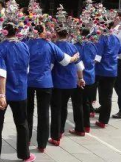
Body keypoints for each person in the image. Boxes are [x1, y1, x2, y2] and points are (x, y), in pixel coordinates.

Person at [0, 0, 36, 162]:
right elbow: (27, 69)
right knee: (22, 123)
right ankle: (24, 154)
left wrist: (1, 95)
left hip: (3, 91)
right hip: (21, 89)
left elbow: (0, 73)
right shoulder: (24, 46)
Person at [26, 22, 79, 151]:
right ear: (43, 32)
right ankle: (42, 144)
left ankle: (26, 139)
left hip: (28, 81)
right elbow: (65, 61)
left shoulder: (26, 44)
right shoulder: (49, 45)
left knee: (27, 112)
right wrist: (74, 58)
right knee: (44, 113)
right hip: (45, 82)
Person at [50, 25, 86, 144]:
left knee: (56, 108)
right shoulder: (73, 47)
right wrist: (80, 78)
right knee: (64, 106)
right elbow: (79, 65)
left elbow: (50, 66)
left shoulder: (54, 47)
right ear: (68, 35)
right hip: (70, 82)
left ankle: (56, 136)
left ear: (56, 34)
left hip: (56, 81)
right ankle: (61, 130)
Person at [77, 26, 99, 134]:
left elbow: (77, 63)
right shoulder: (93, 45)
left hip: (81, 78)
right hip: (91, 76)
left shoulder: (78, 46)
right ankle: (87, 126)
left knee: (79, 103)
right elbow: (97, 58)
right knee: (86, 102)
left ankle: (80, 128)